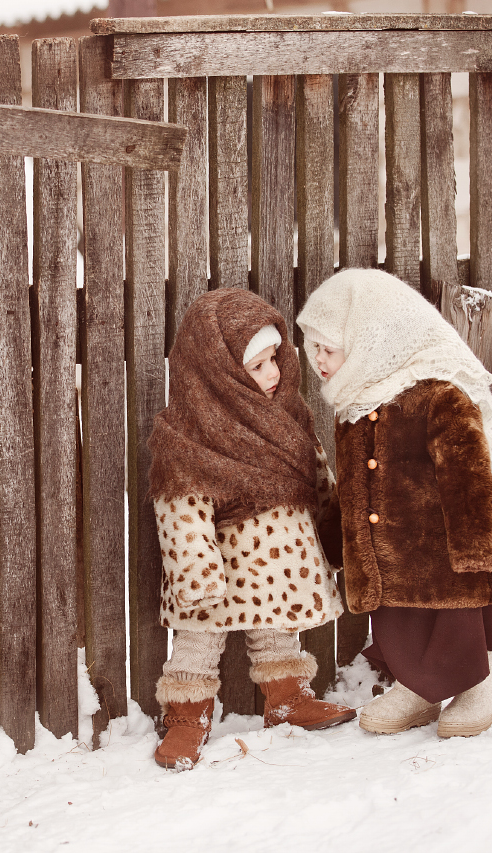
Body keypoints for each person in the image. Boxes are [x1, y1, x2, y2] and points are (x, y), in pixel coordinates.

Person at [296, 268, 492, 739]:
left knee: (459, 617)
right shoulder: (354, 405)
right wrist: (339, 544)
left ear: (368, 341)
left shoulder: (439, 396)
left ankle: (485, 684)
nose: (317, 359)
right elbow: (352, 487)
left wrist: (476, 549)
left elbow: (469, 476)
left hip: (445, 551)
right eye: (312, 347)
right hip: (391, 555)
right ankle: (419, 687)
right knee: (402, 623)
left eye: (328, 348)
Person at [147, 288, 354, 771]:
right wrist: (197, 575)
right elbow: (181, 506)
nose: (274, 374)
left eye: (274, 359)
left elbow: (316, 474)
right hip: (223, 569)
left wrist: (335, 531)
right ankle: (186, 716)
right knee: (198, 643)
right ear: (219, 373)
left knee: (279, 630)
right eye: (257, 366)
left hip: (280, 569)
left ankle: (287, 699)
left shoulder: (289, 415)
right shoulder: (190, 434)